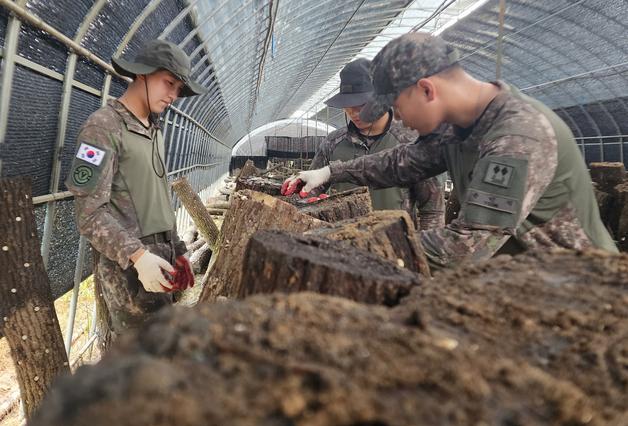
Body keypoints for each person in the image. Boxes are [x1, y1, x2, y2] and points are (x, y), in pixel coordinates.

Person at [283, 33, 617, 269]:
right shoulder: (458, 129)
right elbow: (402, 162)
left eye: (397, 107)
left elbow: (464, 246)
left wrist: (342, 244)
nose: (398, 119)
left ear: (426, 89)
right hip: (526, 283)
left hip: (583, 294)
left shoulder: (517, 136)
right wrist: (328, 172)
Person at [65, 40, 204, 337]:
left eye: (179, 89)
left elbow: (157, 200)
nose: (173, 95)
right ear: (142, 74)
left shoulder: (154, 130)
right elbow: (88, 214)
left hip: (161, 259)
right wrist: (138, 257)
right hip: (129, 272)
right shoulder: (102, 128)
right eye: (169, 83)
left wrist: (178, 252)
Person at [309, 58, 445, 229]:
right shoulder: (333, 142)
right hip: (340, 245)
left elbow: (432, 210)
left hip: (394, 246)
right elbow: (310, 190)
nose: (354, 112)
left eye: (362, 105)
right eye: (348, 105)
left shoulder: (413, 142)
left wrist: (422, 251)